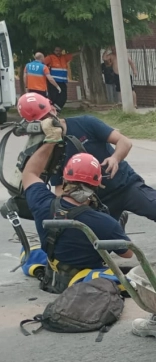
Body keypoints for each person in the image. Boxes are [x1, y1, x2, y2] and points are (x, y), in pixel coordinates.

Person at [18, 94, 133, 293]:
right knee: (132, 279)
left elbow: (30, 172)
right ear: (97, 184)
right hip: (82, 278)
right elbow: (128, 254)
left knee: (29, 252)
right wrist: (115, 230)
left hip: (54, 267)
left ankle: (38, 267)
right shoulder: (103, 222)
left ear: (65, 177)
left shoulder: (42, 202)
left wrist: (51, 142)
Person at [44, 109, 156, 240]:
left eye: (46, 117)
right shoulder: (49, 150)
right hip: (96, 200)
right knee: (98, 243)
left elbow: (124, 142)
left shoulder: (86, 123)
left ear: (53, 111)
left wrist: (115, 158)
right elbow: (59, 188)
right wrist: (71, 209)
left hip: (124, 185)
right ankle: (117, 222)